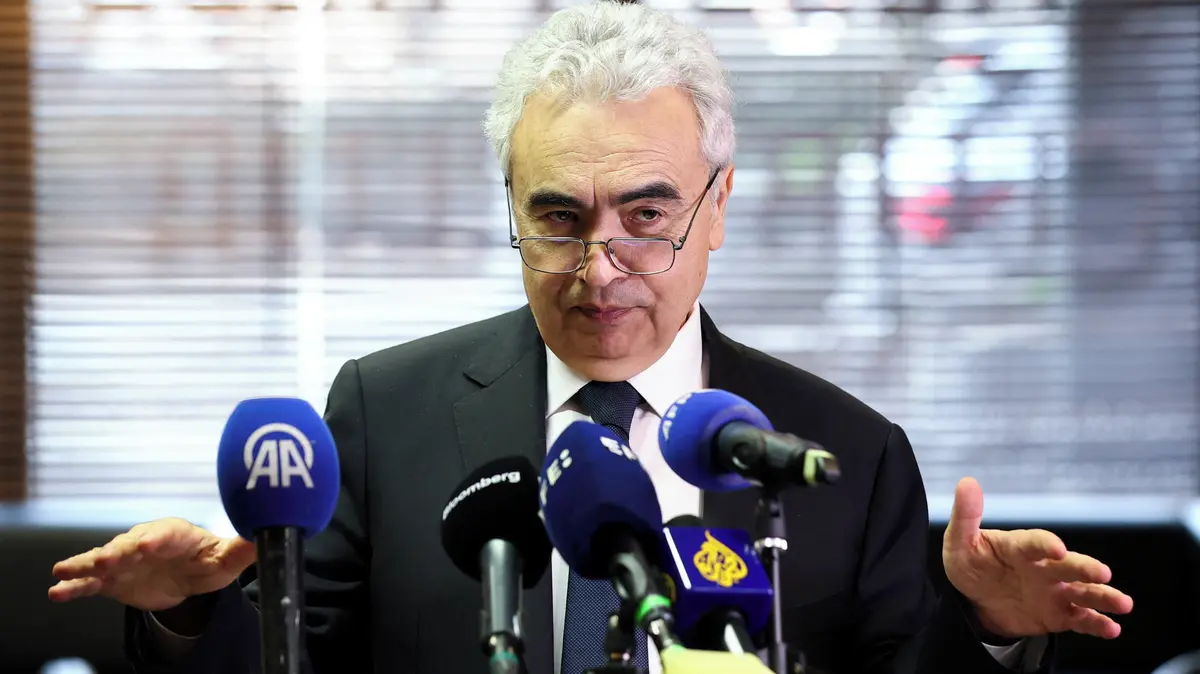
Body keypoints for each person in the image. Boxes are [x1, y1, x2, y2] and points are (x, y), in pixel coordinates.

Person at [47, 3, 1133, 673]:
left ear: (716, 206)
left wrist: (990, 632)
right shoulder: (385, 412)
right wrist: (191, 615)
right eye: (559, 217)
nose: (599, 264)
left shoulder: (842, 450)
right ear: (511, 206)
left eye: (646, 215)